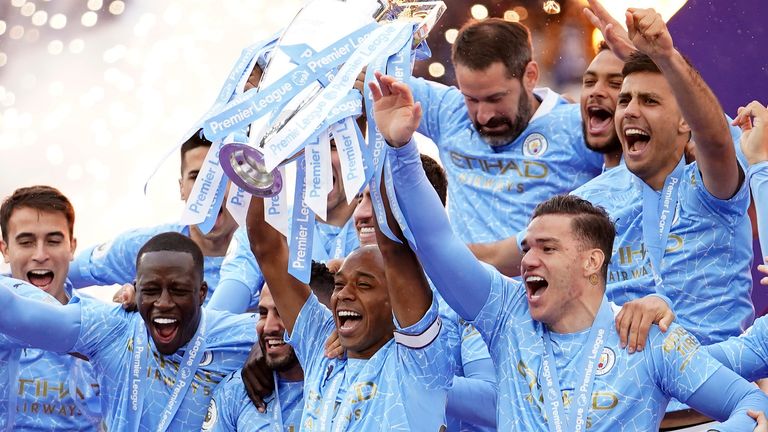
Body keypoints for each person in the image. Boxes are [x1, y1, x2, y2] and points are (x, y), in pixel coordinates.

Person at [368, 53, 768, 431]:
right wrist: (401, 150)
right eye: (529, 248)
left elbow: (751, 401)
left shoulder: (646, 338)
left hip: (694, 414)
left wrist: (661, 52)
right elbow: (439, 244)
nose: (528, 260)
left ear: (593, 261)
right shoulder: (509, 317)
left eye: (547, 248)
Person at [246, 170, 453, 430]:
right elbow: (266, 246)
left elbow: (395, 249)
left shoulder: (419, 363)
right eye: (340, 285)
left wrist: (388, 145)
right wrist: (268, 163)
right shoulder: (319, 347)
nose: (344, 294)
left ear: (396, 301)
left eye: (364, 284)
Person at [0, 232, 257, 430]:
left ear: (201, 293)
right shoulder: (112, 329)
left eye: (178, 291)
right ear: (136, 287)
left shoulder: (238, 336)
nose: (164, 303)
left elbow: (292, 337)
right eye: (151, 290)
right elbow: (17, 311)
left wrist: (266, 347)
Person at [408, 17, 604, 244]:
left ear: (530, 76)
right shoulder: (447, 111)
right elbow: (366, 72)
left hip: (544, 277)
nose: (483, 115)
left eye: (496, 98)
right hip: (459, 278)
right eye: (471, 99)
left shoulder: (581, 126)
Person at [340, 156, 497, 431]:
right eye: (359, 199)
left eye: (377, 201)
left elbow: (492, 401)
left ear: (420, 212)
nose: (362, 213)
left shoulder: (465, 288)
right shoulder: (345, 295)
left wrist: (409, 368)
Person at [467, 41, 625, 278]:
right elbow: (496, 257)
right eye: (589, 82)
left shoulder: (683, 178)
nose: (596, 91)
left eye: (616, 84)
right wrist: (415, 250)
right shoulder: (581, 207)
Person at [67, 131, 265, 313]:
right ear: (182, 188)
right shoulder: (146, 247)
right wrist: (115, 325)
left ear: (243, 185)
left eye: (223, 177)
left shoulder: (270, 251)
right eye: (198, 178)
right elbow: (57, 275)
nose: (211, 190)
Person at [0, 186, 102, 431]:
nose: (40, 255)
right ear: (5, 250)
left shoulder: (101, 324)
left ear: (72, 247)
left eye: (53, 241)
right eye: (26, 242)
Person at [202, 262, 334, 432]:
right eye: (263, 313)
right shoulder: (234, 392)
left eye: (283, 313)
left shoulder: (349, 385)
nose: (268, 327)